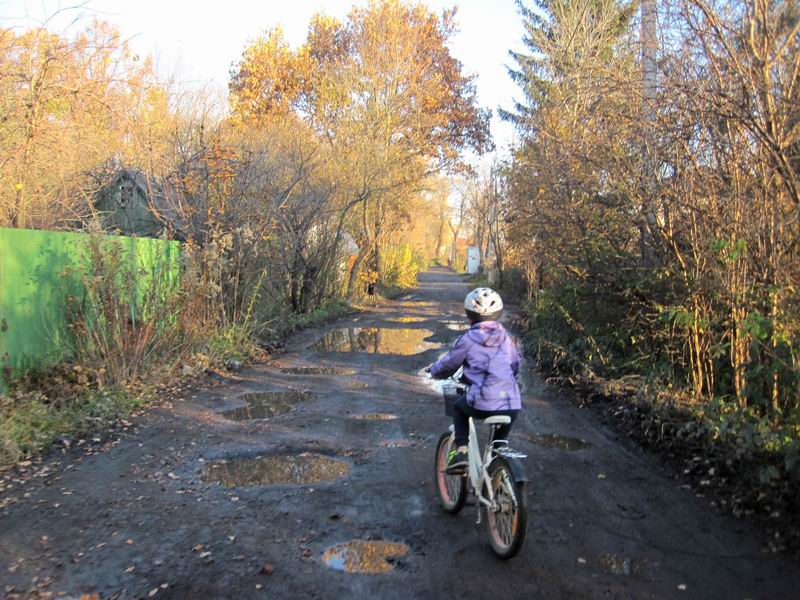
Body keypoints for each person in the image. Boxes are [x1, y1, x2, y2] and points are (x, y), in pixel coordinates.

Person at [427, 287, 522, 474]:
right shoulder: (506, 339)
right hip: (512, 404)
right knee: (499, 443)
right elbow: (515, 365)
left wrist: (434, 371)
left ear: (469, 316)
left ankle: (461, 451)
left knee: (459, 408)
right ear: (498, 315)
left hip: (482, 402)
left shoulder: (469, 339)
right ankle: (498, 468)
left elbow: (449, 363)